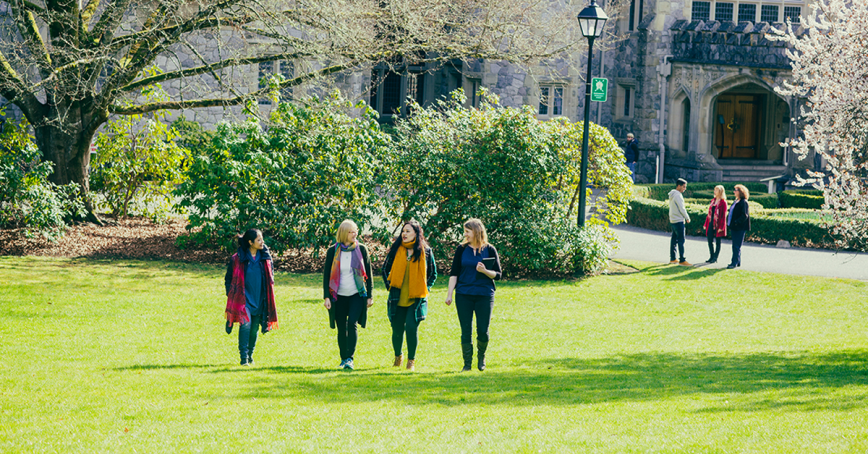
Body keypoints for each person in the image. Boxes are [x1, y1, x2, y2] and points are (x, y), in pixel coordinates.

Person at [445, 218, 502, 372]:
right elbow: (454, 273)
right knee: (466, 330)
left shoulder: (490, 249)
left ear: (476, 232)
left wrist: (485, 271)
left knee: (483, 330)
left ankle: (481, 357)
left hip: (484, 294)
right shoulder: (461, 249)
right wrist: (449, 294)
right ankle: (467, 364)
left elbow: (498, 275)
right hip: (464, 294)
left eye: (467, 232)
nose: (465, 235)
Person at [381, 221, 437, 372]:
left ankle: (411, 361)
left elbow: (432, 274)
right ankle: (398, 356)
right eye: (403, 231)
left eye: (408, 231)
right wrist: (390, 286)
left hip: (416, 299)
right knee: (397, 329)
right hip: (397, 298)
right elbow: (385, 269)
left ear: (416, 234)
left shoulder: (426, 251)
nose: (404, 234)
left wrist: (426, 289)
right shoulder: (396, 250)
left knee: (412, 328)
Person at [323, 220, 373, 371]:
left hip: (356, 294)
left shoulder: (361, 249)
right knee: (340, 327)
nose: (355, 234)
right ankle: (343, 358)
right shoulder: (333, 251)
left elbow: (368, 275)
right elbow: (326, 275)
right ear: (344, 233)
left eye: (356, 231)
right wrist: (326, 296)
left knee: (352, 323)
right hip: (338, 295)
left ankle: (350, 359)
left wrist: (370, 296)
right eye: (352, 231)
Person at [224, 229, 279, 366]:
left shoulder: (265, 258)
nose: (262, 242)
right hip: (243, 299)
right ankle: (243, 359)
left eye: (262, 239)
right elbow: (229, 278)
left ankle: (250, 355)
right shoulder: (237, 258)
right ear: (250, 242)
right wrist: (231, 295)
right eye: (259, 239)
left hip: (260, 298)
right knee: (245, 325)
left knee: (254, 328)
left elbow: (271, 276)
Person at [726, 184, 751, 269]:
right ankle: (738, 261)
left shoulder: (743, 202)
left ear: (741, 192)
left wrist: (736, 222)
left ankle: (734, 262)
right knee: (736, 245)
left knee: (736, 245)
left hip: (739, 227)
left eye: (736, 190)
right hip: (734, 227)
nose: (734, 192)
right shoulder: (736, 201)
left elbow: (744, 215)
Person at [668, 178, 691, 266]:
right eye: (684, 187)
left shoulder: (672, 194)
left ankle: (673, 258)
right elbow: (682, 208)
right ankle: (682, 259)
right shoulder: (678, 195)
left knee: (674, 239)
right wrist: (687, 217)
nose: (685, 188)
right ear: (679, 186)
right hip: (678, 220)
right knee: (681, 240)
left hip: (673, 220)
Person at [703, 185, 728, 263]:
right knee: (709, 239)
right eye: (714, 190)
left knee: (718, 241)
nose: (715, 191)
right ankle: (711, 256)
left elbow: (723, 216)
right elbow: (709, 214)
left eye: (716, 190)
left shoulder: (723, 202)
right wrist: (705, 224)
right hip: (711, 223)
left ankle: (715, 257)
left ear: (720, 192)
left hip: (718, 224)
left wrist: (722, 226)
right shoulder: (713, 201)